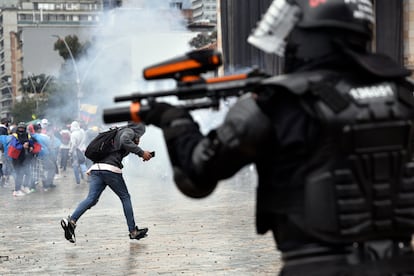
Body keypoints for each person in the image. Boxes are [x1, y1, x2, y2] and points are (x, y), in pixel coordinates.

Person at [136, 0, 414, 275]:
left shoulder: (277, 103)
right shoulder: (402, 96)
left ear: (308, 35)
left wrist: (173, 120)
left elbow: (196, 176)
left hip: (316, 268)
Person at [61, 122, 154, 243]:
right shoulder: (129, 132)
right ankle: (133, 231)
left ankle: (72, 222)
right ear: (138, 131)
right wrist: (141, 152)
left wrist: (136, 148)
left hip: (97, 168)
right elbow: (125, 140)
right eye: (140, 136)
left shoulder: (118, 132)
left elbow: (121, 146)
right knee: (125, 197)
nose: (140, 139)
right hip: (110, 170)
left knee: (91, 199)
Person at [9, 122, 36, 196]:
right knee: (19, 174)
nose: (21, 129)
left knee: (28, 173)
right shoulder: (15, 136)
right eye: (20, 128)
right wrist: (22, 146)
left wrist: (31, 147)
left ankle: (25, 186)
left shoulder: (28, 135)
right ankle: (16, 190)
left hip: (25, 157)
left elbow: (31, 142)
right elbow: (14, 146)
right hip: (16, 158)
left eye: (22, 128)